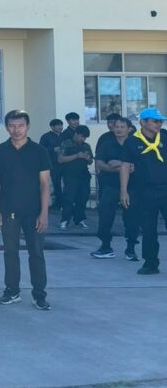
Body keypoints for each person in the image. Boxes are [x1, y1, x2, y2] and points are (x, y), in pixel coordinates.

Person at [0, 110, 52, 311]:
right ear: (6, 127)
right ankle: (12, 291)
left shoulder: (39, 151)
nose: (16, 130)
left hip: (34, 212)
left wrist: (44, 213)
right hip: (8, 211)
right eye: (12, 126)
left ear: (28, 127)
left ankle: (39, 295)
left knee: (36, 253)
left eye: (20, 126)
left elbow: (45, 184)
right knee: (10, 252)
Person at [120, 108, 167, 275]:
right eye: (155, 121)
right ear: (143, 122)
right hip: (145, 191)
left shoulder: (165, 137)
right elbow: (125, 166)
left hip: (165, 188)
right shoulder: (132, 142)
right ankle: (150, 262)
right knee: (148, 228)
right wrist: (124, 191)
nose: (159, 124)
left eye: (161, 121)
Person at [92, 115, 139, 260]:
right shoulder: (107, 144)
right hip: (110, 186)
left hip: (132, 187)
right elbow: (99, 164)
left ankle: (130, 249)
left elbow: (138, 166)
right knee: (105, 216)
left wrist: (117, 163)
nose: (118, 129)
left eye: (122, 127)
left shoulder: (135, 144)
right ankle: (105, 246)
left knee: (132, 217)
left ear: (129, 129)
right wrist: (121, 168)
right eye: (116, 126)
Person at [57, 125, 92, 230]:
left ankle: (80, 219)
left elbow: (90, 161)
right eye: (82, 136)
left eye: (85, 137)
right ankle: (65, 220)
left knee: (83, 197)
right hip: (70, 175)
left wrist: (87, 158)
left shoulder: (86, 146)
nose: (83, 139)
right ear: (76, 134)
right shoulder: (66, 143)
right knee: (69, 198)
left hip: (84, 175)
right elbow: (60, 159)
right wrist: (76, 156)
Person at [39, 119, 65, 213]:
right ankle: (57, 203)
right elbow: (41, 149)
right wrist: (52, 149)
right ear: (52, 127)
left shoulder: (64, 136)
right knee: (56, 184)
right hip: (53, 164)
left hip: (65, 163)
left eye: (61, 125)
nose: (60, 127)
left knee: (66, 184)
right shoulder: (46, 137)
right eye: (58, 125)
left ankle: (63, 203)